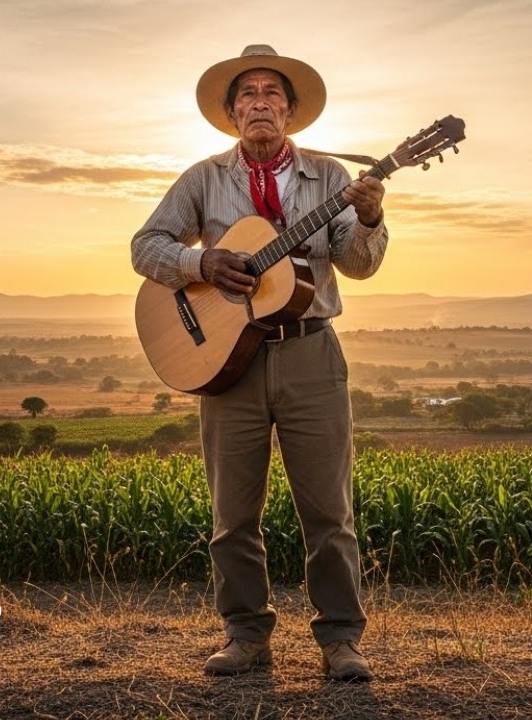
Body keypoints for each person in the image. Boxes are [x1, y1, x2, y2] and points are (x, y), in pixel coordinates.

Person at [130, 44, 387, 681]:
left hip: (310, 351)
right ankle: (245, 635)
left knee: (329, 511)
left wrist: (372, 217)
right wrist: (201, 263)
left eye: (272, 93)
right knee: (232, 513)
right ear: (232, 112)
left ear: (291, 112)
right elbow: (146, 247)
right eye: (247, 94)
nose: (260, 103)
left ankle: (340, 640)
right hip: (227, 363)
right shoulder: (202, 178)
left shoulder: (331, 179)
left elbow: (357, 264)